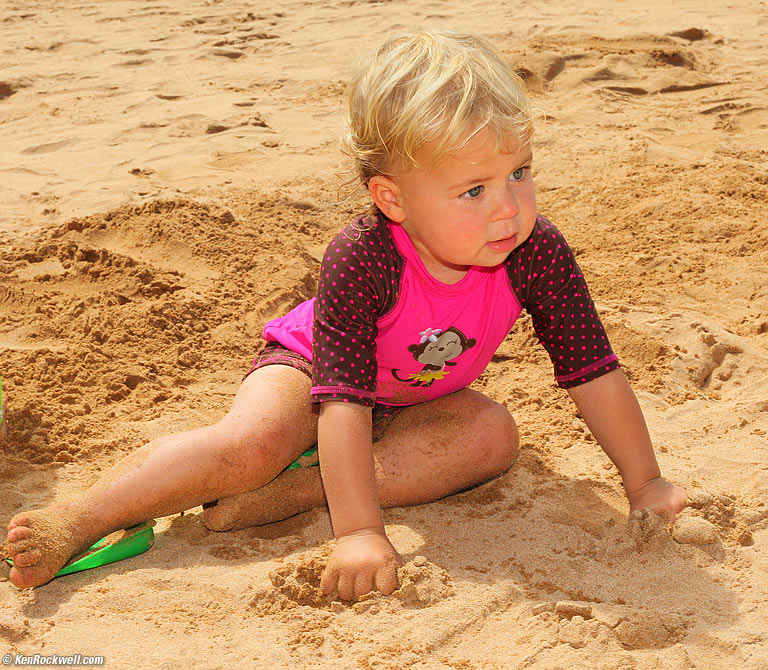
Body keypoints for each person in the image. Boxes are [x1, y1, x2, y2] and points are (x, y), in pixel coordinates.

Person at [4, 29, 688, 597]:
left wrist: (646, 481)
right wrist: (360, 532)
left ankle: (295, 495)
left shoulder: (534, 250)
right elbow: (343, 405)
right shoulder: (364, 257)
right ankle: (84, 515)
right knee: (251, 448)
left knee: (492, 438)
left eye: (519, 172)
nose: (507, 206)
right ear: (394, 200)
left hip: (416, 397)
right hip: (316, 376)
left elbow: (593, 372)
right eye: (473, 189)